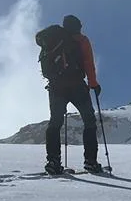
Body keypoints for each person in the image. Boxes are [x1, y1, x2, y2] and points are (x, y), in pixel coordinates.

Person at [36, 14, 102, 175]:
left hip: (56, 87)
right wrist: (93, 84)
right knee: (89, 121)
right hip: (76, 86)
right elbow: (88, 63)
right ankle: (90, 162)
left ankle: (53, 161)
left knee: (55, 122)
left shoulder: (52, 39)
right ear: (77, 26)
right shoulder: (81, 40)